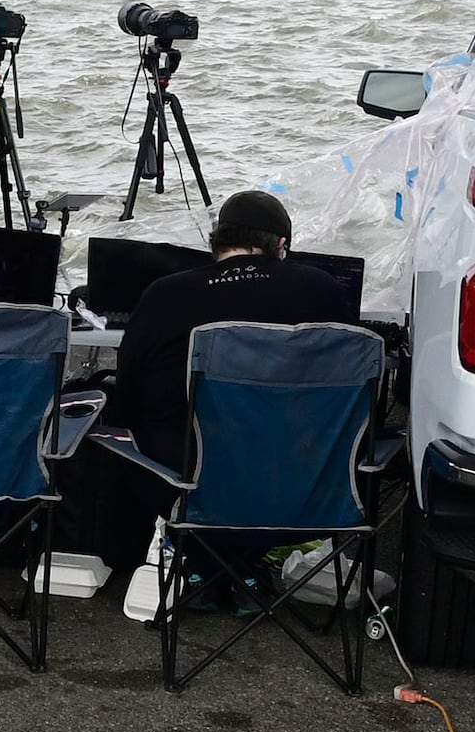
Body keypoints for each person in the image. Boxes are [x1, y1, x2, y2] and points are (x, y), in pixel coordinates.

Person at [68, 186, 340, 617]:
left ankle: (201, 567)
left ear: (216, 240)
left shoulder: (166, 292)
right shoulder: (322, 289)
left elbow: (130, 385)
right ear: (281, 246)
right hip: (296, 484)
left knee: (134, 429)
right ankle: (244, 570)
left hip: (186, 485)